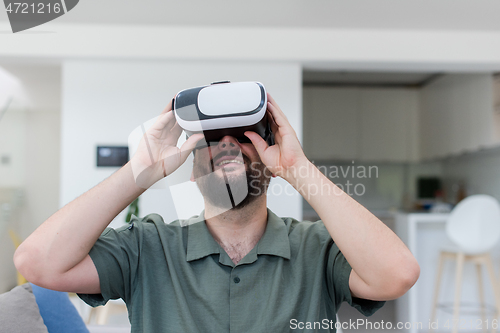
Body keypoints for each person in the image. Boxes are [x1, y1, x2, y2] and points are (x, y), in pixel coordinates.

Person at [14, 93, 419, 332]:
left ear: (272, 164)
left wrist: (300, 170)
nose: (227, 143)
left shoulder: (316, 248)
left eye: (245, 134)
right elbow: (37, 263)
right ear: (192, 171)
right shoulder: (148, 246)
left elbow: (397, 274)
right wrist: (139, 173)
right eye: (210, 138)